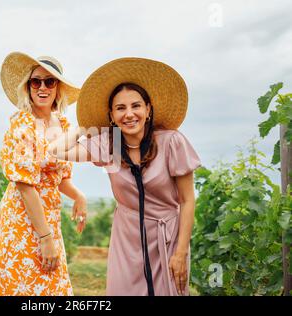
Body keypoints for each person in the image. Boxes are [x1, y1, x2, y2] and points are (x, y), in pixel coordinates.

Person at [48, 57, 201, 296]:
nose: (129, 114)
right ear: (111, 115)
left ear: (148, 109)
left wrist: (181, 252)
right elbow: (56, 150)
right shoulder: (108, 145)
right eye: (120, 108)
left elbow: (187, 200)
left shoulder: (172, 142)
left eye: (136, 106)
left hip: (168, 238)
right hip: (127, 239)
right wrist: (82, 128)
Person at [0, 52, 87, 296]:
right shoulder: (22, 125)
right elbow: (25, 185)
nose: (42, 87)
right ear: (28, 87)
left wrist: (79, 197)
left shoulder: (63, 125)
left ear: (58, 88)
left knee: (52, 287)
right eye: (36, 81)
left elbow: (59, 178)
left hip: (48, 219)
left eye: (49, 81)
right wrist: (45, 237)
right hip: (21, 219)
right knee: (21, 287)